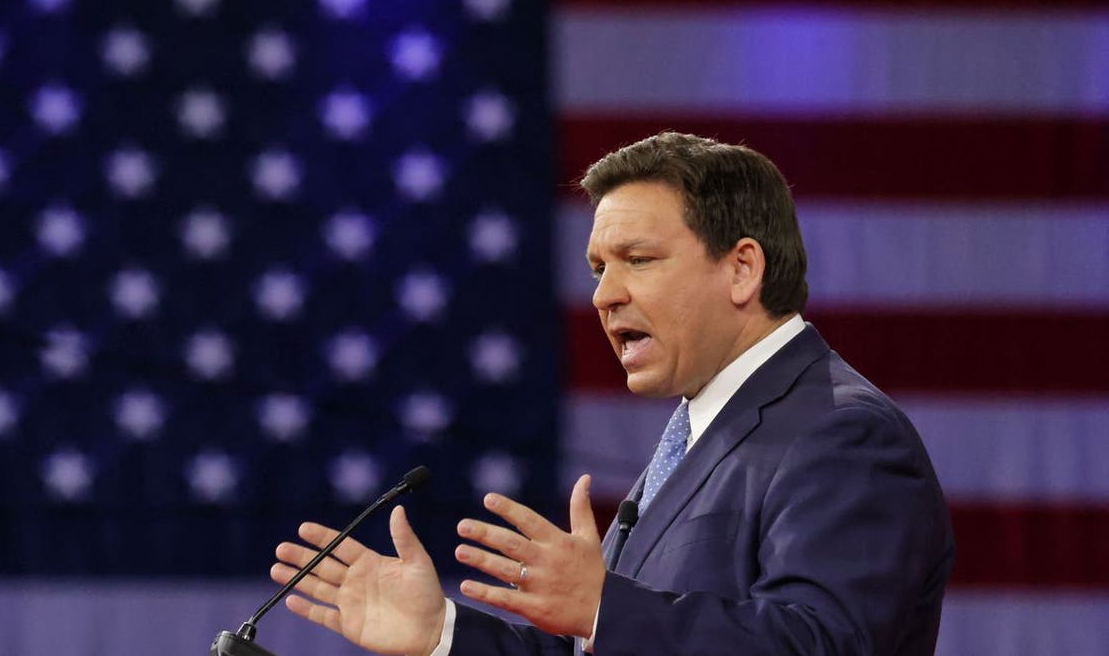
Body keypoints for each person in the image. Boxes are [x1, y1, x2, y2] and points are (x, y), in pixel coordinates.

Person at [270, 132, 954, 655]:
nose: (604, 294)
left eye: (638, 259)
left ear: (742, 267)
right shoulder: (703, 429)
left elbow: (817, 643)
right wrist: (441, 632)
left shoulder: (841, 433)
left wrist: (605, 606)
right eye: (599, 267)